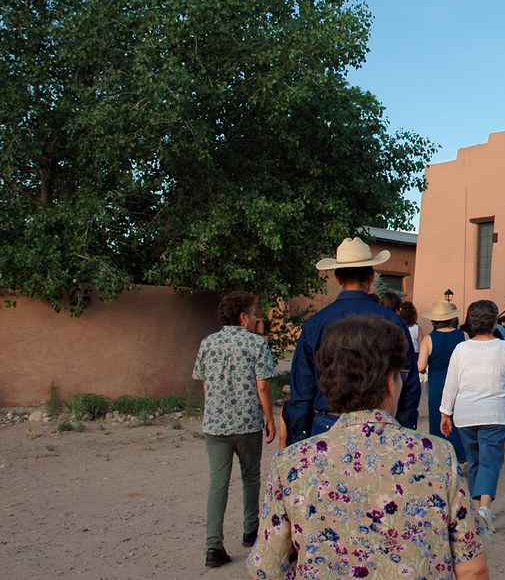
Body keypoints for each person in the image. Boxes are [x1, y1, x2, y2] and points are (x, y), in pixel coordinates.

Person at [248, 315, 489, 579]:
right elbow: (472, 570)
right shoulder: (437, 457)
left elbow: (267, 570)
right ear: (389, 383)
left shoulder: (292, 465)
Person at [283, 237, 420, 444]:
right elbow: (407, 380)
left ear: (338, 277)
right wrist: (406, 427)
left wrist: (299, 437)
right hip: (382, 424)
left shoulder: (315, 325)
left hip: (327, 423)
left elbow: (302, 388)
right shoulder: (393, 321)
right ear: (372, 275)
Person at [192, 291, 276, 569]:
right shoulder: (256, 345)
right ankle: (250, 531)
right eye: (253, 314)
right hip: (247, 424)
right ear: (242, 317)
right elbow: (262, 386)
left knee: (218, 484)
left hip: (215, 427)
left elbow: (204, 384)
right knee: (250, 477)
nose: (256, 318)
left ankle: (213, 546)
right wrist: (270, 419)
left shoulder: (208, 343)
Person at [440, 300, 505, 534]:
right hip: (495, 413)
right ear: (495, 322)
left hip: (466, 414)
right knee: (490, 461)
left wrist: (445, 412)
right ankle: (484, 509)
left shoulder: (461, 349)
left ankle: (478, 511)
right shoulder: (504, 348)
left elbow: (451, 385)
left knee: (474, 461)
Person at [417, 300, 468, 464]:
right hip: (459, 383)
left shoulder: (429, 339)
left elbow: (420, 367)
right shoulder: (462, 335)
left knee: (438, 420)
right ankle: (462, 455)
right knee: (458, 420)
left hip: (438, 384)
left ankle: (440, 457)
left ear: (433, 320)